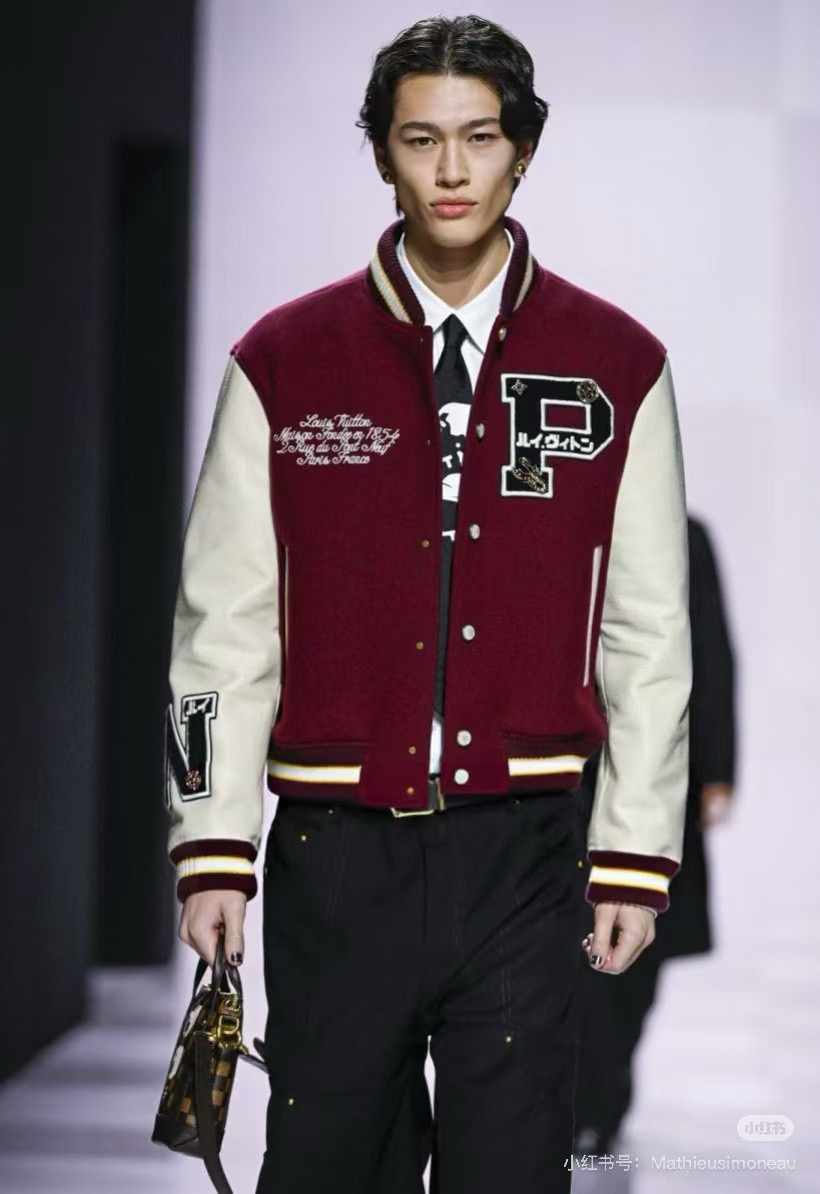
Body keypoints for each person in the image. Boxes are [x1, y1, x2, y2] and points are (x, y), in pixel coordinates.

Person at [162, 15, 692, 1193]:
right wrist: (209, 845)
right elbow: (220, 632)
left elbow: (647, 631)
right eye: (419, 139)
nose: (451, 170)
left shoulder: (616, 364)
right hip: (333, 852)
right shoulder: (285, 360)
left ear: (523, 150)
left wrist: (632, 856)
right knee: (325, 1167)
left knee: (512, 1171)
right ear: (381, 154)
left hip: (526, 850)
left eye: (479, 137)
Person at [573, 514, 737, 1157]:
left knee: (634, 945)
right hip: (564, 771)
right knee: (568, 946)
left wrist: (716, 769)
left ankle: (601, 1101)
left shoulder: (680, 533)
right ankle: (580, 1102)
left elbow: (709, 651)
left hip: (659, 766)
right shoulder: (554, 515)